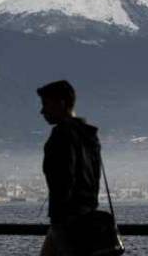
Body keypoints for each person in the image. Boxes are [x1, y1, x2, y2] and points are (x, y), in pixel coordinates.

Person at [37, 80, 101, 256]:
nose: (42, 111)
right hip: (88, 218)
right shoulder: (89, 135)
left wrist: (60, 217)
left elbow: (64, 180)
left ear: (61, 103)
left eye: (46, 104)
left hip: (66, 222)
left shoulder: (62, 135)